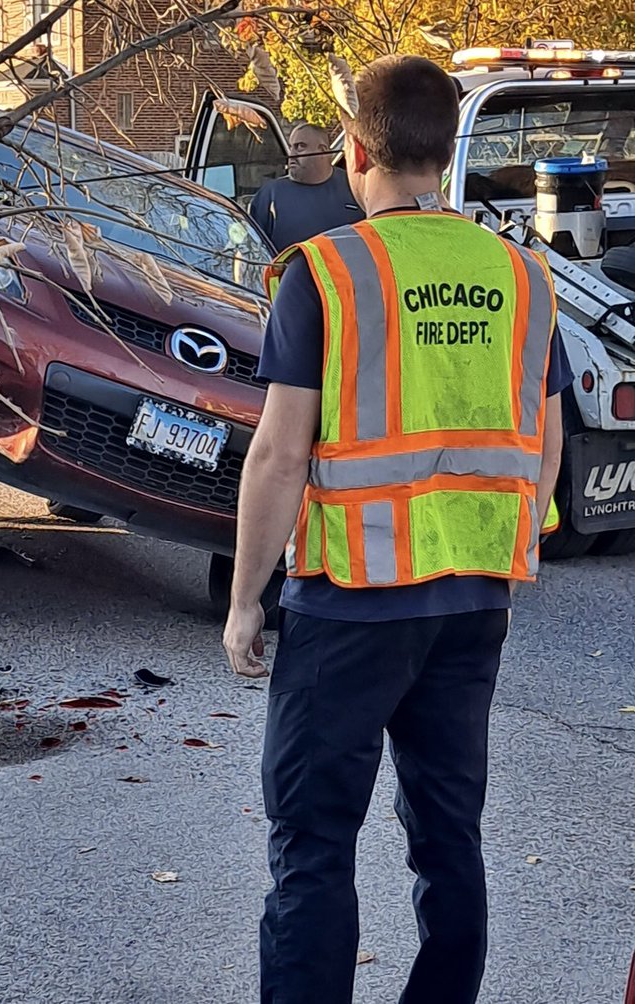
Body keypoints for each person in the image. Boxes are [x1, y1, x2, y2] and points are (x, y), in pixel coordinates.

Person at [223, 55, 572, 1004]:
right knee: (450, 836)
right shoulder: (521, 274)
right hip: (472, 604)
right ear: (448, 150)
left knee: (312, 845)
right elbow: (539, 447)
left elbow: (278, 456)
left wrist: (246, 599)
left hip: (350, 605)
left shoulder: (327, 274)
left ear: (356, 148)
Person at [248, 122, 364, 251]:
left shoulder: (354, 187)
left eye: (300, 147)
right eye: (291, 147)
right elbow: (252, 250)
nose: (291, 154)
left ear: (322, 150)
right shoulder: (270, 195)